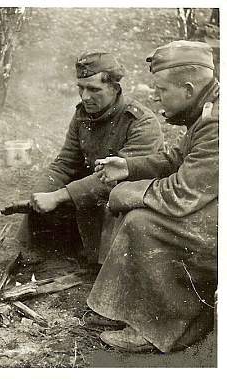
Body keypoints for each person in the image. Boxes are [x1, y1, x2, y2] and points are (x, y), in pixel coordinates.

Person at [89, 40, 218, 352]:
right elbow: (177, 158)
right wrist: (129, 168)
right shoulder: (208, 108)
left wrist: (129, 193)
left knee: (143, 223)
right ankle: (128, 308)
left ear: (188, 89)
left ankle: (165, 327)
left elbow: (183, 193)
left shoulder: (217, 122)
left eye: (161, 90)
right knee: (136, 213)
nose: (156, 96)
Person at [16, 51, 164, 266]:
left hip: (127, 197)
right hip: (92, 191)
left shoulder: (141, 122)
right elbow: (65, 162)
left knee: (106, 251)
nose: (85, 97)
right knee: (45, 211)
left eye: (94, 89)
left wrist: (58, 196)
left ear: (114, 88)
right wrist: (40, 195)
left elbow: (117, 178)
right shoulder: (82, 114)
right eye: (81, 88)